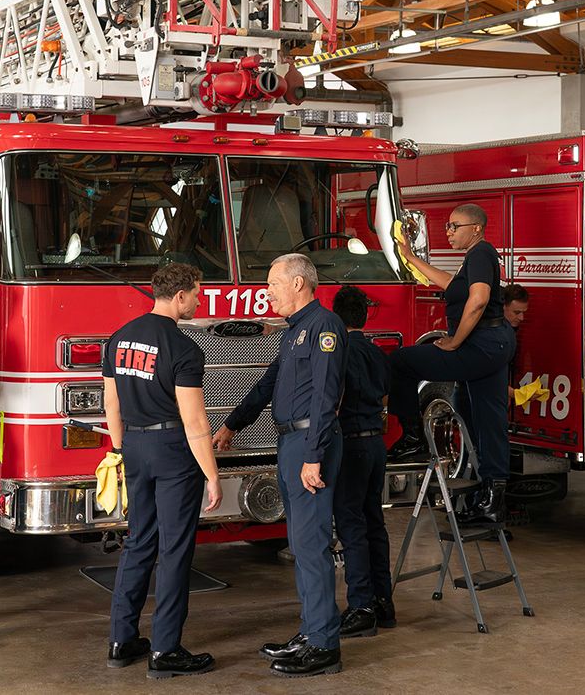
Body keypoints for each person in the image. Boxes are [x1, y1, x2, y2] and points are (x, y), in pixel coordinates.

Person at [212, 253, 347, 678]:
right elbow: (267, 385)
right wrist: (233, 423)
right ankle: (310, 632)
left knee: (311, 546)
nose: (266, 292)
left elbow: (326, 397)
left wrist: (314, 455)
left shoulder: (324, 328)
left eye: (272, 283)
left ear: (299, 284)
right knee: (301, 543)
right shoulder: (294, 334)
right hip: (290, 442)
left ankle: (325, 645)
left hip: (310, 444)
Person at [102, 263, 222, 679]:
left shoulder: (119, 339)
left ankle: (121, 640)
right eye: (197, 293)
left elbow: (111, 406)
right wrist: (212, 474)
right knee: (174, 551)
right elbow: (195, 423)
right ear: (181, 296)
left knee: (138, 542)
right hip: (173, 450)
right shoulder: (184, 348)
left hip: (134, 446)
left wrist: (119, 451)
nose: (199, 300)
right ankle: (166, 650)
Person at [388, 203, 515, 525]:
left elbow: (479, 299)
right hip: (492, 346)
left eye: (453, 226)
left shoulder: (481, 253)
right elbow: (452, 286)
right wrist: (412, 258)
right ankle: (490, 504)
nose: (448, 232)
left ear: (475, 228)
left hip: (482, 345)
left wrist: (455, 341)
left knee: (402, 361)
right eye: (447, 226)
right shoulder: (474, 258)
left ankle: (413, 437)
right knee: (487, 420)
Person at [329, 286, 394, 639]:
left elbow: (333, 398)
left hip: (350, 445)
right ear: (364, 316)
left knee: (351, 525)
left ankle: (360, 607)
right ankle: (383, 603)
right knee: (374, 523)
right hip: (375, 445)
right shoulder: (376, 353)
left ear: (337, 317)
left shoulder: (339, 352)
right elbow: (385, 392)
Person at [502, 284, 530, 403]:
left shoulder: (510, 330)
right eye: (516, 312)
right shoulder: (493, 337)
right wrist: (513, 393)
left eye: (523, 312)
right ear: (502, 307)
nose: (522, 318)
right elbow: (485, 377)